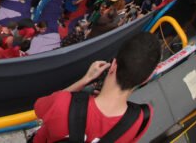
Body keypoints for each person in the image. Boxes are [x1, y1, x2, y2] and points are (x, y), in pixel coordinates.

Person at [32, 32, 161, 142]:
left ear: (114, 65)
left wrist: (84, 80)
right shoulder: (141, 120)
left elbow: (39, 108)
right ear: (146, 79)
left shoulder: (62, 103)